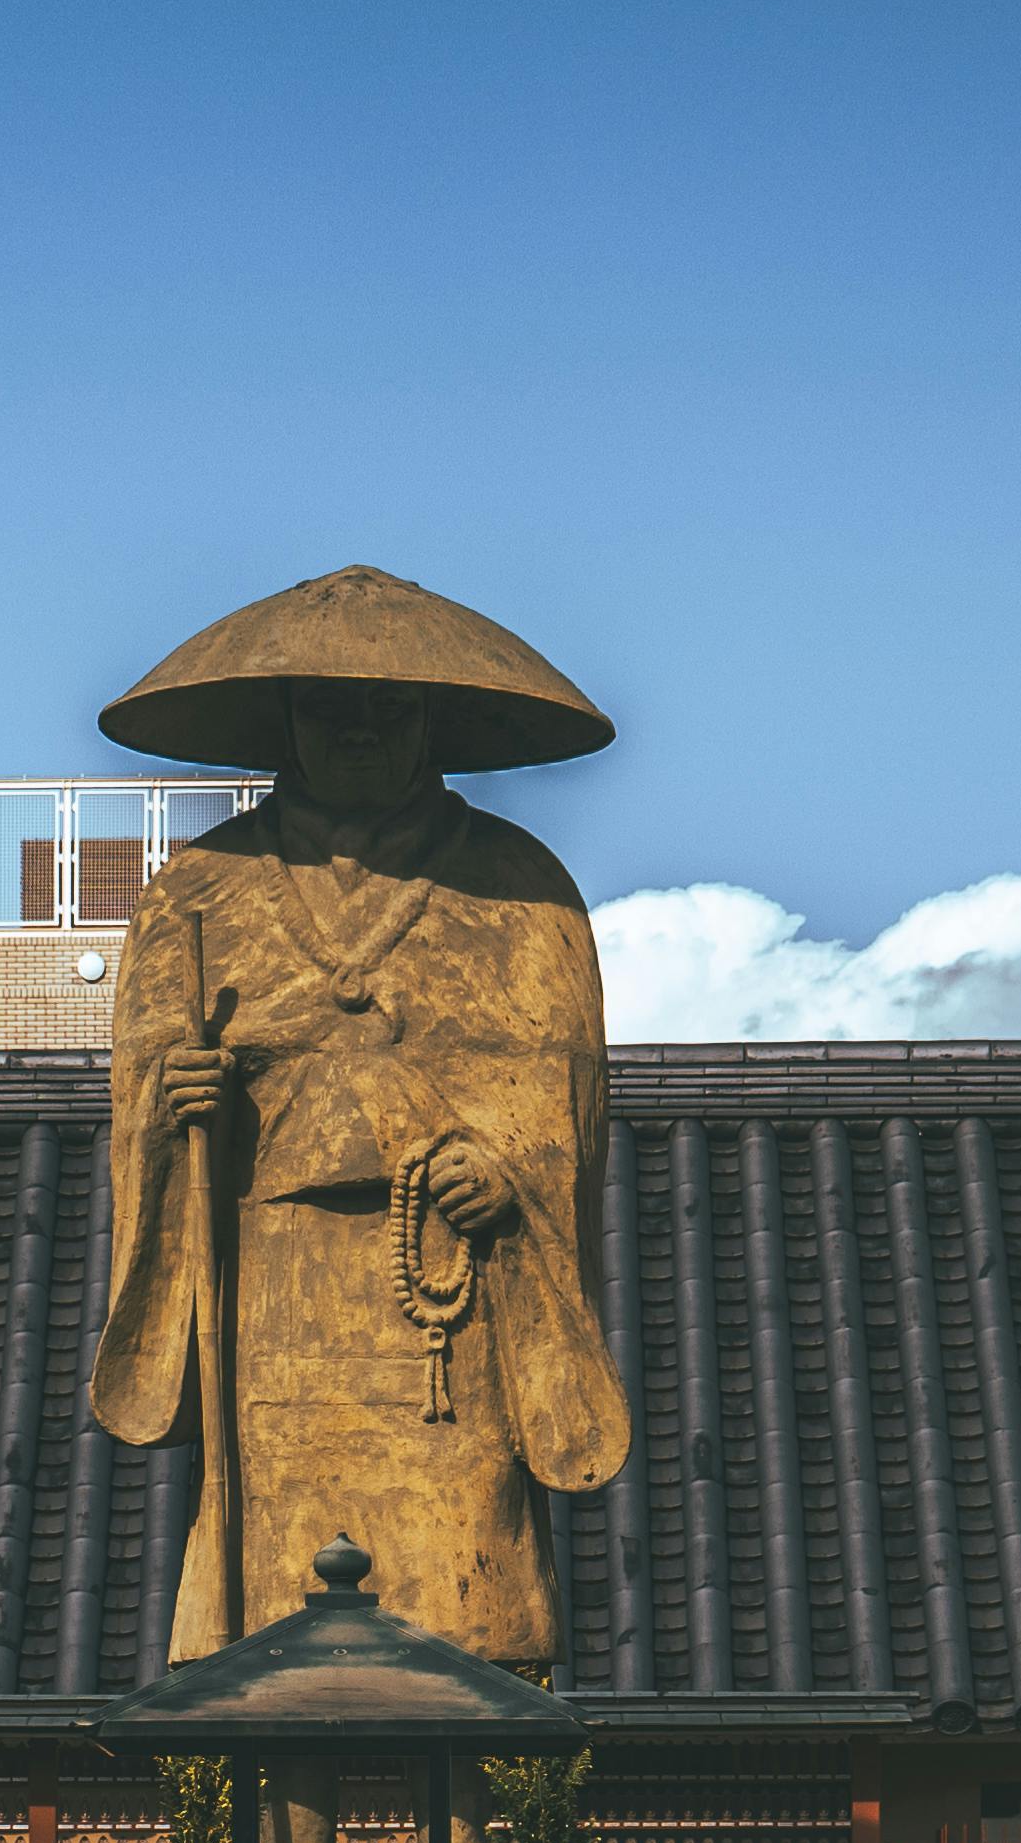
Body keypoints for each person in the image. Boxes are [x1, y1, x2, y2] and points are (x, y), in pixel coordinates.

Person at [86, 566, 632, 1680]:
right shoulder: (199, 892)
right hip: (270, 1296)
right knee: (276, 1605)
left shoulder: (517, 889)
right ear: (282, 721)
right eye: (331, 709)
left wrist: (507, 1173)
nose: (360, 734)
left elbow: (558, 1098)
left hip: (450, 1300)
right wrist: (171, 1112)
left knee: (474, 1584)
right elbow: (141, 1093)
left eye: (391, 709)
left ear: (434, 720)